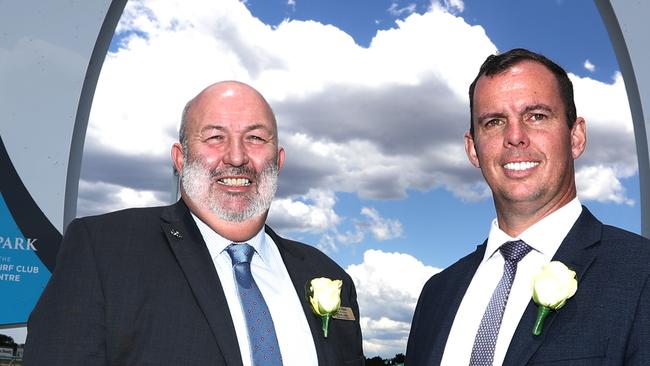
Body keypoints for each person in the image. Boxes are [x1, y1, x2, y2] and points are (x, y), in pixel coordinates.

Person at [24, 81, 364, 365]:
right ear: (180, 158)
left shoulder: (329, 276)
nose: (236, 157)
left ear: (278, 159)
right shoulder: (103, 251)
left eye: (256, 138)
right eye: (215, 137)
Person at [406, 48, 650, 365]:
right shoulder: (436, 295)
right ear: (473, 149)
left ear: (576, 136)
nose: (515, 137)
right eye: (494, 122)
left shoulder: (640, 273)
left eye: (536, 117)